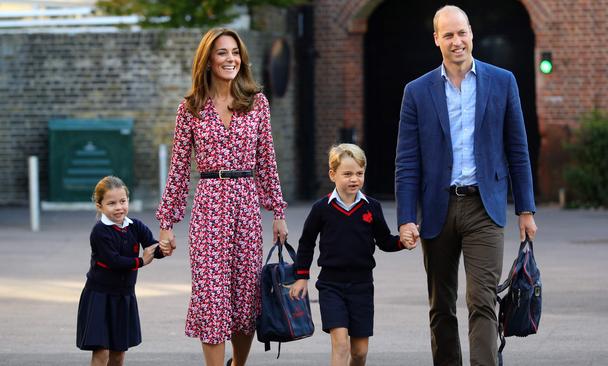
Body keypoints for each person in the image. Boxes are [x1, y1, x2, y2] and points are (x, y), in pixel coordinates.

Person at [394, 5, 538, 366]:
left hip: (483, 207)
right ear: (436, 40)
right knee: (441, 305)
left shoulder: (502, 82)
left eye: (462, 33)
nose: (456, 41)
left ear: (471, 33)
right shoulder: (417, 91)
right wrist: (406, 217)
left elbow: (517, 149)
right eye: (448, 35)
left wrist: (526, 209)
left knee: (482, 299)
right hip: (438, 208)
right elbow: (407, 162)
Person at [155, 28, 288, 366]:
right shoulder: (191, 108)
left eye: (235, 52)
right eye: (222, 53)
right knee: (212, 298)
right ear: (208, 61)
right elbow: (179, 169)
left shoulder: (257, 103)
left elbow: (266, 160)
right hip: (209, 206)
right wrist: (167, 223)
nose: (231, 59)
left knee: (245, 299)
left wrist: (278, 211)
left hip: (246, 205)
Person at [290, 143, 415, 366]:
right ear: (332, 174)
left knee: (359, 353)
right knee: (341, 345)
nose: (354, 179)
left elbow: (384, 241)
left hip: (362, 286)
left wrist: (402, 242)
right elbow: (306, 242)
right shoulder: (322, 209)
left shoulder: (371, 207)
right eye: (347, 174)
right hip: (331, 286)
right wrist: (301, 276)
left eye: (359, 173)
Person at [76, 175, 163, 366]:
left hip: (124, 297)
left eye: (123, 201)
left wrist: (164, 246)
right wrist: (141, 261)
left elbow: (153, 247)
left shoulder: (136, 226)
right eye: (111, 203)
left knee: (118, 354)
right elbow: (113, 261)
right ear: (100, 206)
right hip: (99, 296)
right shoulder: (100, 232)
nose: (119, 207)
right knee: (101, 352)